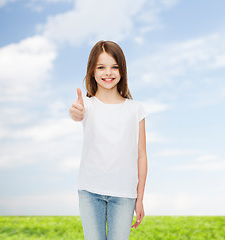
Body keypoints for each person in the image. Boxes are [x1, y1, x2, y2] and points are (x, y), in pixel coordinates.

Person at [69, 40, 148, 240]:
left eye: (114, 67)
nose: (108, 73)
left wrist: (140, 198)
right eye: (101, 67)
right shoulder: (86, 104)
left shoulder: (135, 109)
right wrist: (76, 113)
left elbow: (141, 156)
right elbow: (76, 113)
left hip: (124, 195)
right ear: (92, 71)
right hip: (90, 191)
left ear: (122, 70)